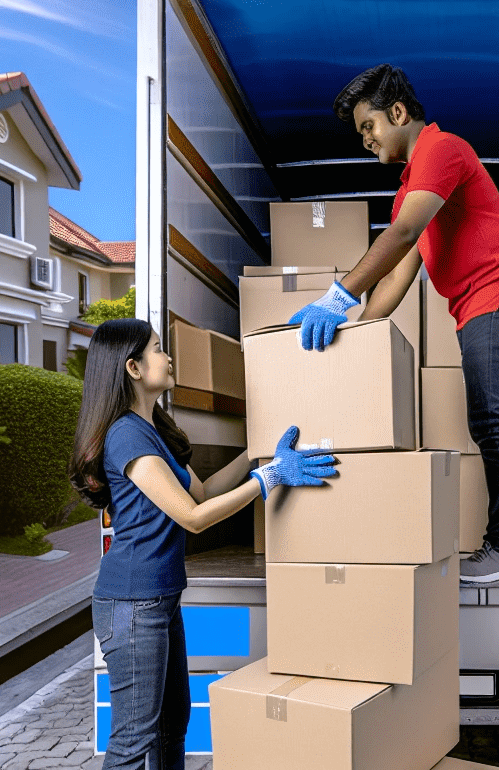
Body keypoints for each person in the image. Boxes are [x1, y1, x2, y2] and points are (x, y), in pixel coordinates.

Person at [288, 63, 499, 584]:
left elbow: (405, 234)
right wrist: (357, 336)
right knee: (495, 420)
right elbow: (397, 277)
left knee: (492, 420)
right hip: (479, 306)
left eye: (370, 126)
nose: (366, 139)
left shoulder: (442, 150)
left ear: (399, 112)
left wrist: (337, 296)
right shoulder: (414, 186)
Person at [69, 318, 336, 769]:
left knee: (174, 723)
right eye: (158, 349)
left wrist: (256, 454)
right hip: (131, 602)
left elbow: (204, 492)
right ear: (132, 368)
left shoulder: (155, 428)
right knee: (135, 738)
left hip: (158, 598)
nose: (168, 357)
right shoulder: (126, 435)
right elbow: (193, 519)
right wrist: (269, 478)